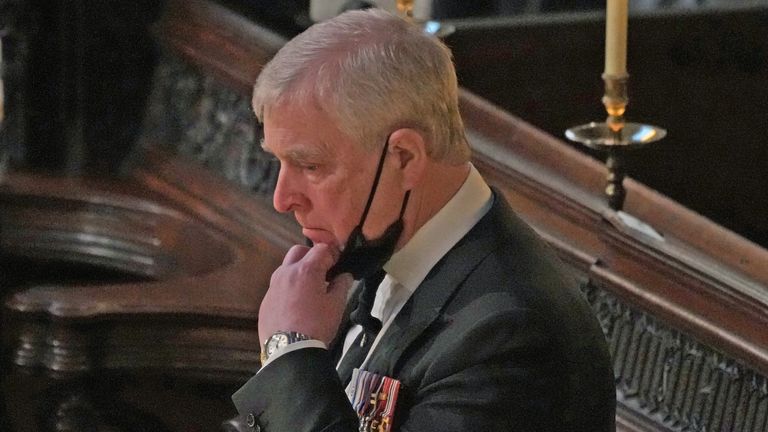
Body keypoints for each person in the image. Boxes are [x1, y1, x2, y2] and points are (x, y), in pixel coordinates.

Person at [231, 8, 615, 432]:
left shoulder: (511, 336)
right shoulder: (381, 250)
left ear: (405, 158)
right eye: (280, 162)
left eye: (310, 165)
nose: (282, 198)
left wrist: (290, 350)